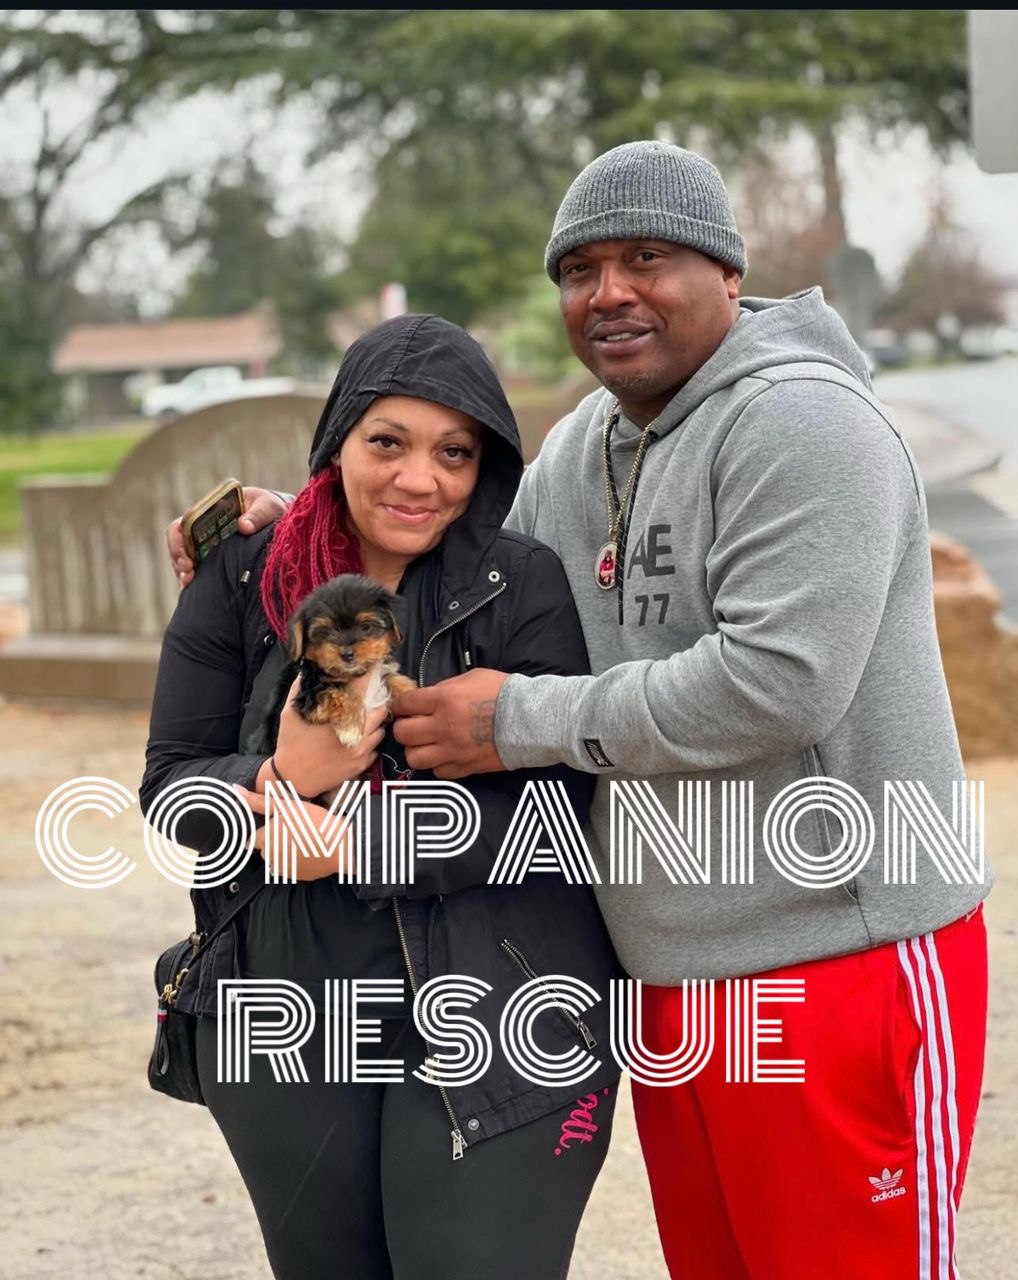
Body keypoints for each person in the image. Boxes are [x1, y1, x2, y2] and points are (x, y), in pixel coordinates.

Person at [167, 143, 990, 1280]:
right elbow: (451, 535)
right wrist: (307, 513)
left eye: (646, 256)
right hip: (667, 966)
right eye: (581, 269)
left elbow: (779, 682)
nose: (610, 291)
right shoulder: (581, 450)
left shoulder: (804, 421)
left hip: (838, 945)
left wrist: (516, 720)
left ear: (725, 272)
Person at [143, 313, 621, 1280]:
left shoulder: (521, 582)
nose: (421, 479)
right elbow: (171, 785)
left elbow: (568, 813)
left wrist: (364, 839)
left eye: (455, 452)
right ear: (337, 444)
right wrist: (272, 795)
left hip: (506, 999)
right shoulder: (248, 570)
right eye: (388, 443)